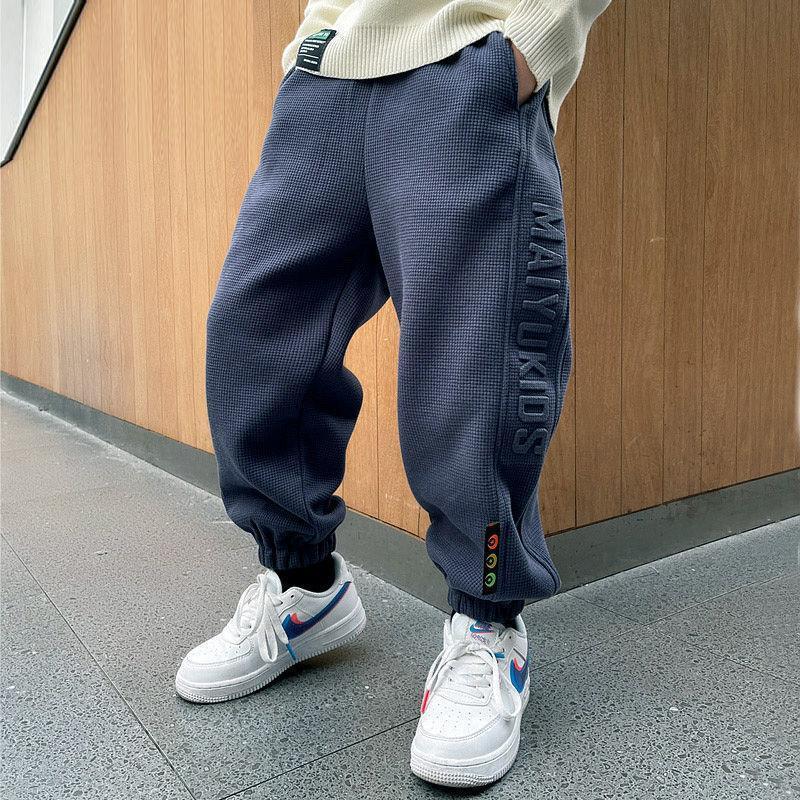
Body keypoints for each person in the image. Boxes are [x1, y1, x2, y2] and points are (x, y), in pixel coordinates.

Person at [175, 0, 610, 787]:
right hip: (330, 70)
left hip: (468, 55)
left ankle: (487, 625)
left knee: (474, 363)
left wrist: (538, 36)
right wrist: (311, 42)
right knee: (253, 332)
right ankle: (304, 585)